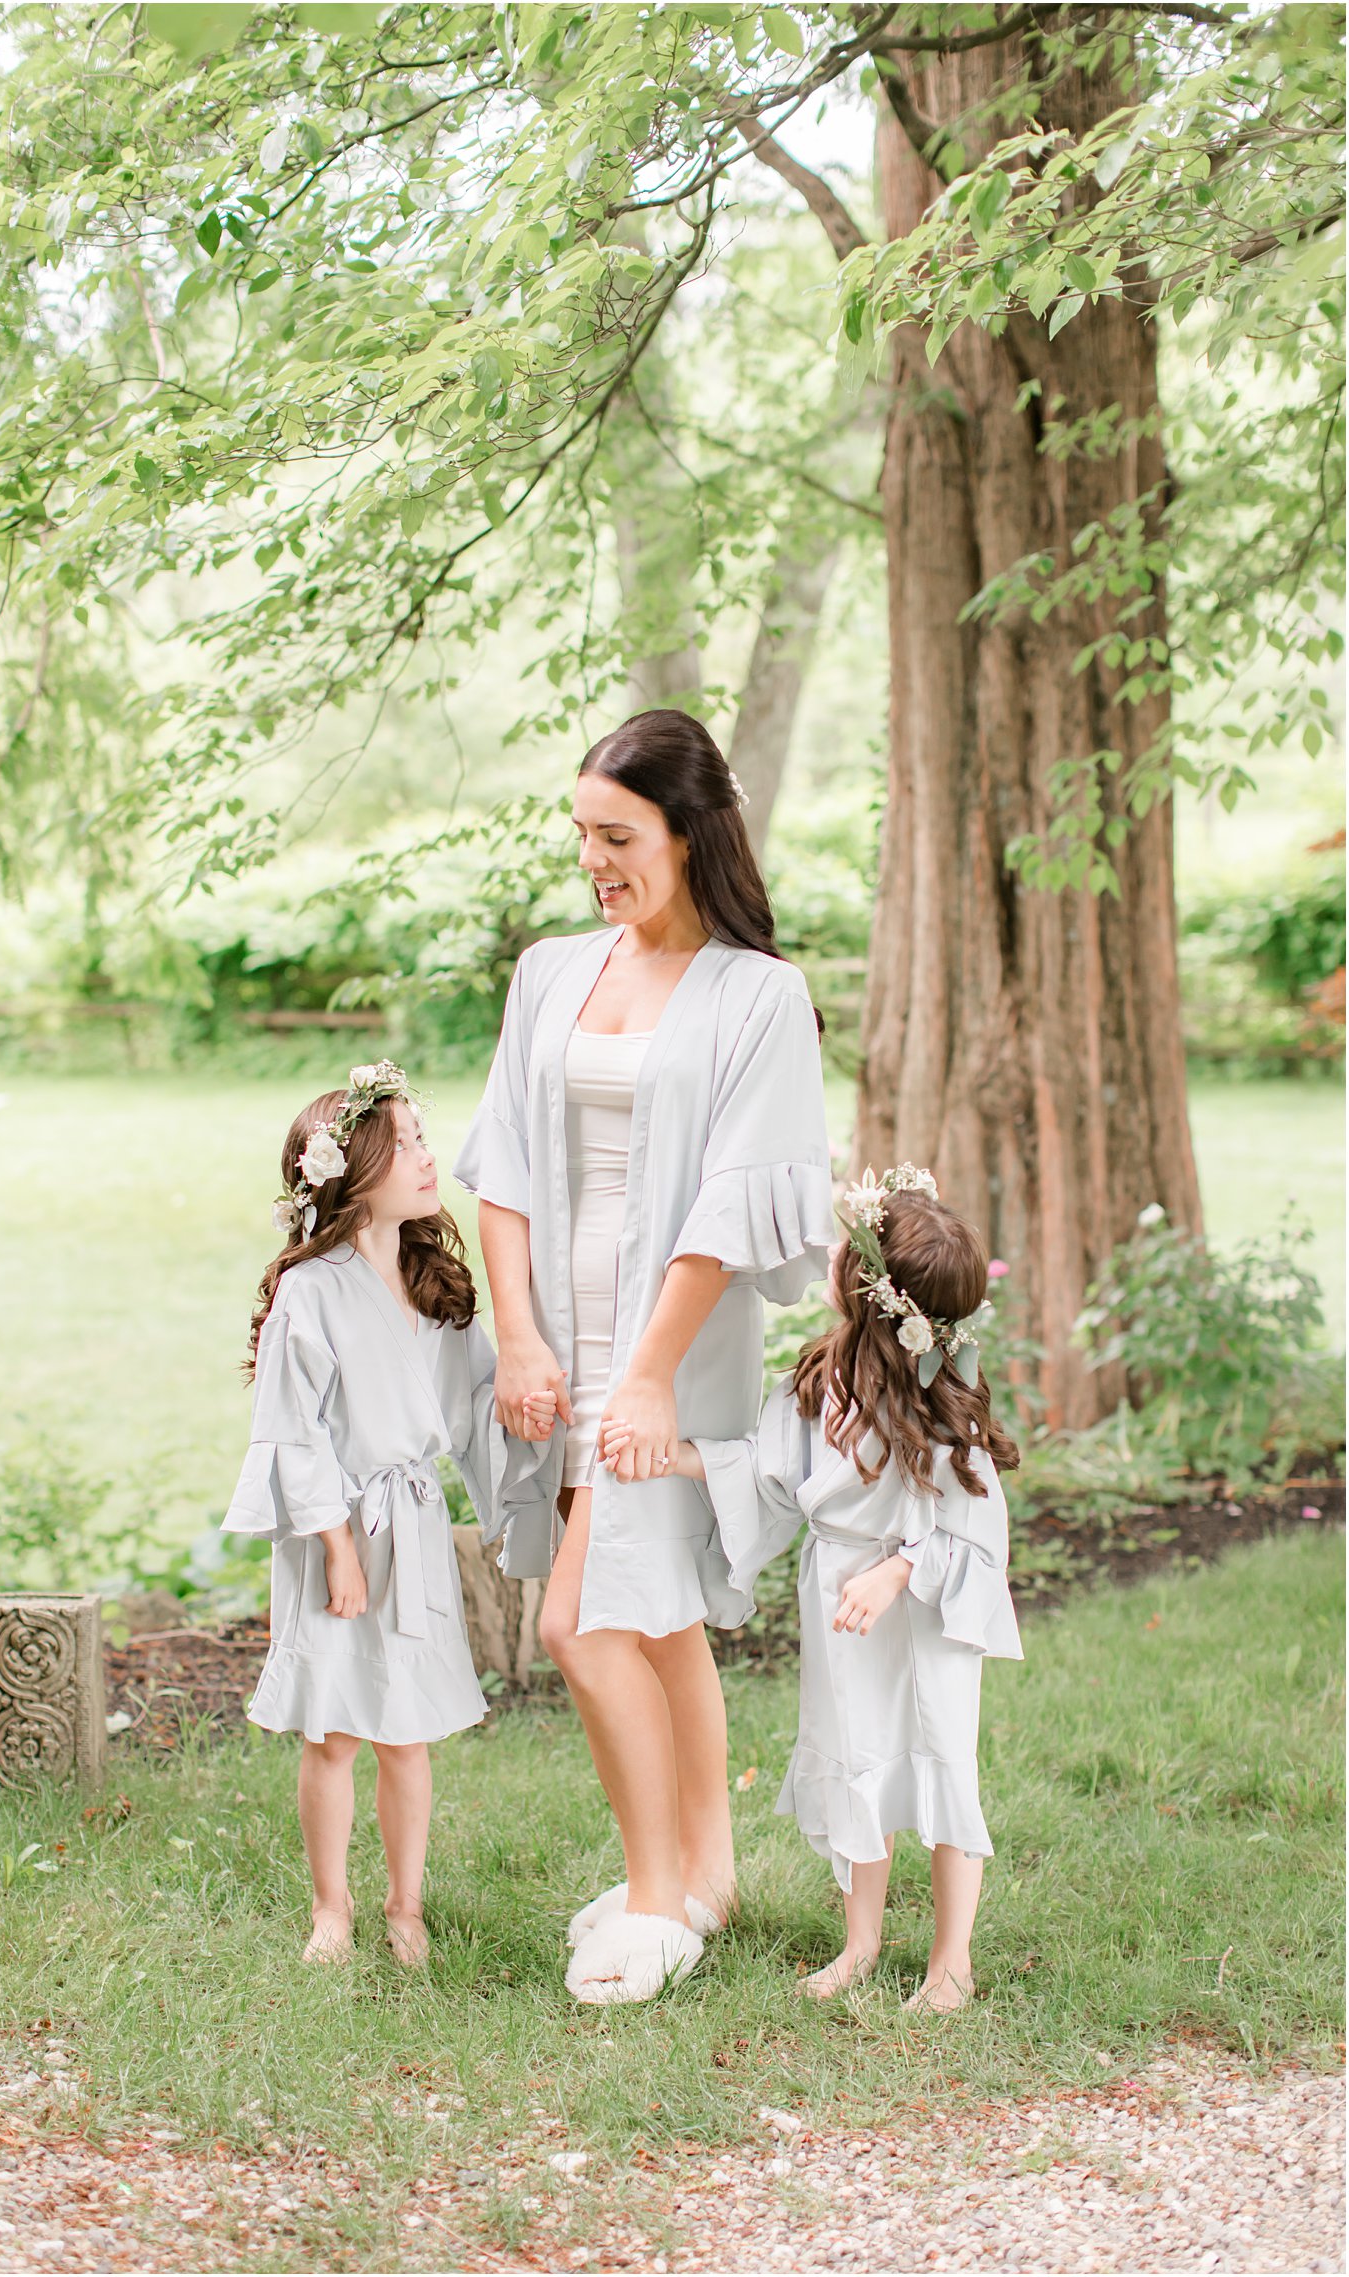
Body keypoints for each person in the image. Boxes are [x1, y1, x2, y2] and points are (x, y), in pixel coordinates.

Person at [453, 710, 835, 2004]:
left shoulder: (759, 996)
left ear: (688, 832)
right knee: (658, 1614)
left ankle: (657, 1899)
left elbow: (733, 1200)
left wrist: (651, 1373)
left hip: (666, 1349)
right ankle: (710, 1871)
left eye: (618, 837)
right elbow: (502, 1165)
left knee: (582, 1617)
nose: (595, 862)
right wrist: (517, 1335)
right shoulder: (552, 973)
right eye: (582, 836)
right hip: (559, 1345)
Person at [616, 1165, 1022, 2012]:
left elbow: (976, 1528)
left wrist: (902, 1567)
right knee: (856, 1756)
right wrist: (684, 1456)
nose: (832, 1247)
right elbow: (769, 1472)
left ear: (869, 1292)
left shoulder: (941, 1402)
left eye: (850, 1245)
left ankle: (952, 1959)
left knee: (942, 1757)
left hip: (923, 1610)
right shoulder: (822, 1379)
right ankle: (861, 1943)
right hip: (837, 1593)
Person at [223, 1063, 548, 1970]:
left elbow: (476, 1396)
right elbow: (292, 1431)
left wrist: (525, 1409)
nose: (426, 1156)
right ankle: (333, 1904)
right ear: (353, 1169)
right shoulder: (312, 1290)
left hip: (412, 1529)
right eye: (404, 1144)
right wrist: (336, 1550)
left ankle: (406, 1904)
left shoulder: (431, 1281)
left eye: (421, 1138)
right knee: (334, 1731)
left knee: (406, 1731)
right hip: (339, 1533)